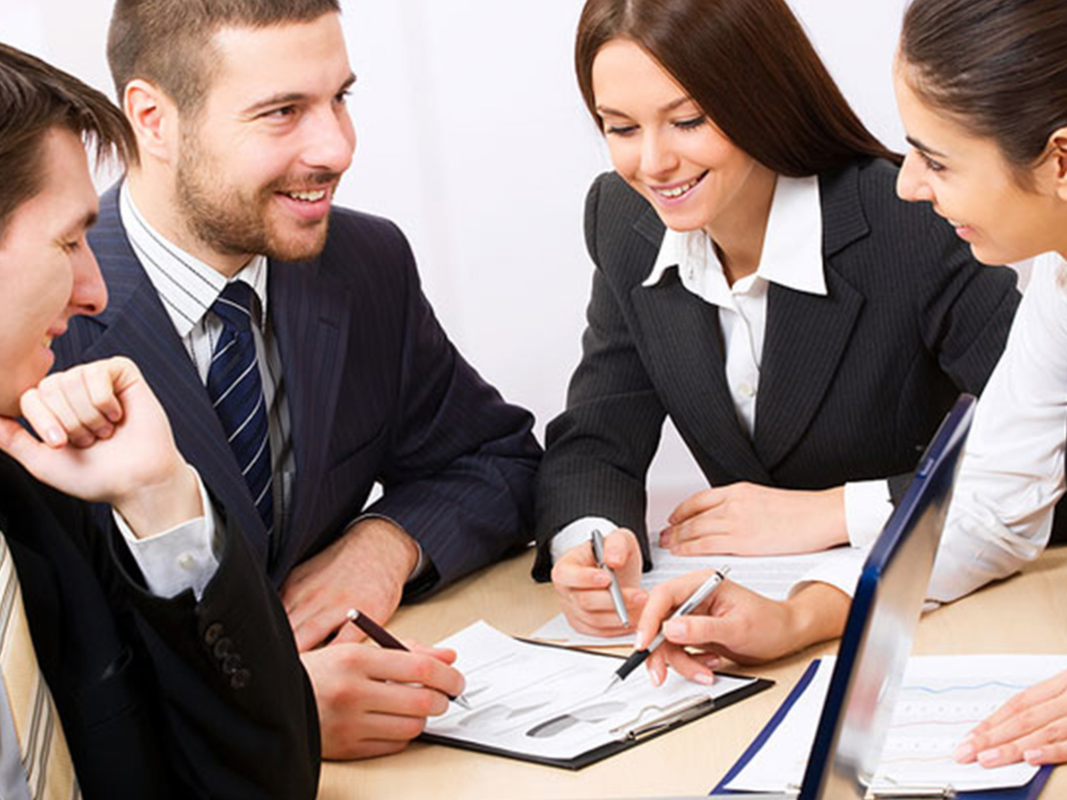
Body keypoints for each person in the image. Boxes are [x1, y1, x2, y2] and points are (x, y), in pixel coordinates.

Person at [51, 0, 541, 759]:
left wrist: (383, 544)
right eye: (282, 112)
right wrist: (269, 707)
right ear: (153, 119)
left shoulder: (366, 263)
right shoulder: (44, 328)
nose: (338, 147)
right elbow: (47, 673)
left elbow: (497, 460)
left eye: (339, 98)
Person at [534, 0, 1022, 645]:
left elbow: (1045, 462)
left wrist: (834, 513)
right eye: (621, 128)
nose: (652, 164)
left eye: (688, 121)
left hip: (935, 619)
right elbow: (597, 438)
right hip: (736, 635)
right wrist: (591, 547)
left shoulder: (913, 219)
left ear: (761, 99)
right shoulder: (625, 220)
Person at [0, 43, 318, 799]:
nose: (95, 291)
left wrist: (161, 499)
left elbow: (268, 781)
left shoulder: (46, 489)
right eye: (69, 241)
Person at [889, 0, 1067, 770]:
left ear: (1060, 161)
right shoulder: (1057, 282)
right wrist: (804, 612)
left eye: (935, 161)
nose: (905, 186)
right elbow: (995, 502)